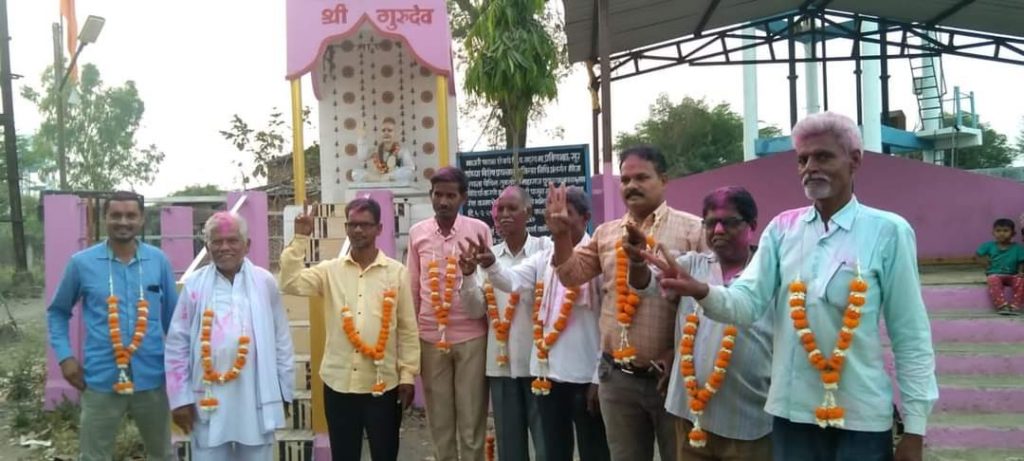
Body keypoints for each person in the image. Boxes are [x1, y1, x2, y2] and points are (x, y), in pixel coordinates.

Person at [645, 112, 938, 461]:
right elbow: (746, 304)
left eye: (823, 157)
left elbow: (911, 335)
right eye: (803, 160)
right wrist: (701, 291)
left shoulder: (888, 231)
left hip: (861, 417)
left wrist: (915, 429)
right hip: (791, 415)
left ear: (855, 160)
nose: (810, 168)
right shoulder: (783, 229)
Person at [546, 146, 706, 461]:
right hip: (617, 378)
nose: (631, 185)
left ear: (664, 180)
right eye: (626, 179)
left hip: (673, 377)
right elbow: (571, 275)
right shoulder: (606, 233)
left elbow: (708, 301)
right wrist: (561, 235)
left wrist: (678, 350)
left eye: (641, 178)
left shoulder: (693, 230)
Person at [630, 187, 773, 461]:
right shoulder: (692, 266)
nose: (717, 230)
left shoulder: (768, 273)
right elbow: (645, 285)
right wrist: (637, 261)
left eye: (729, 222)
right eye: (710, 223)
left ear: (752, 225)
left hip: (748, 422)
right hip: (691, 417)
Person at [469, 186, 610, 461]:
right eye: (551, 215)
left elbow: (608, 322)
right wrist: (491, 264)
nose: (557, 221)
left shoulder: (599, 260)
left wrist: (598, 377)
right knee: (554, 453)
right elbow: (510, 281)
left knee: (594, 452)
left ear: (585, 218)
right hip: (547, 375)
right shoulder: (545, 258)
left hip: (586, 378)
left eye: (565, 215)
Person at [279, 198, 419, 461]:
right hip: (339, 384)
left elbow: (408, 329)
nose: (358, 230)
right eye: (352, 225)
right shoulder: (330, 271)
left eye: (365, 225)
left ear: (379, 228)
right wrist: (300, 238)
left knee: (385, 454)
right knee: (344, 455)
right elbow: (289, 282)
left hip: (382, 384)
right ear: (345, 228)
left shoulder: (396, 272)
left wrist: (408, 375)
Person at [47, 191, 178, 461]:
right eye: (116, 215)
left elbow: (175, 321)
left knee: (164, 454)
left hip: (152, 378)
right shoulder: (81, 263)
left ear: (142, 219)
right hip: (100, 379)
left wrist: (182, 372)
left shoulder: (158, 261)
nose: (123, 222)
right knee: (94, 456)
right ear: (104, 218)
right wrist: (65, 357)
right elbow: (57, 312)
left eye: (130, 215)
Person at [165, 212, 295, 460]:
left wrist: (284, 390)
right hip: (208, 397)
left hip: (255, 396)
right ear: (207, 247)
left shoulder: (265, 282)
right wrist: (180, 398)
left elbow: (281, 339)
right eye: (217, 241)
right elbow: (177, 343)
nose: (225, 247)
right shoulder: (194, 285)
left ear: (247, 245)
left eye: (233, 240)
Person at [407, 167, 492, 461]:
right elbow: (413, 287)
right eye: (438, 195)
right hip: (430, 338)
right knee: (440, 423)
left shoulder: (479, 230)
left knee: (471, 422)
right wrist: (411, 339)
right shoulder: (418, 233)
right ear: (430, 195)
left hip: (471, 338)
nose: (443, 202)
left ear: (463, 197)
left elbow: (487, 283)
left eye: (450, 196)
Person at [461, 185, 551, 461]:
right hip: (501, 366)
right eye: (500, 209)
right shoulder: (486, 256)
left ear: (529, 212)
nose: (504, 214)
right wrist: (468, 276)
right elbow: (475, 310)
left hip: (539, 365)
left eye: (512, 208)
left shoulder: (545, 250)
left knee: (547, 444)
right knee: (510, 449)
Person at [975, 218, 1024, 315]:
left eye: (1005, 231)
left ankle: (1015, 305)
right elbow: (978, 255)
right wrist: (985, 265)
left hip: (1012, 275)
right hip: (995, 274)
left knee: (1021, 280)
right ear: (993, 233)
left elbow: (1021, 262)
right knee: (992, 279)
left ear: (1013, 233)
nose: (1001, 233)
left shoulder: (1018, 248)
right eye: (998, 231)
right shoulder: (988, 246)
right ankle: (1002, 305)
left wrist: (1020, 272)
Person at [353, 118, 416, 183]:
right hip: (377, 180)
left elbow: (410, 170)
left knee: (408, 171)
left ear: (395, 133)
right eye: (383, 130)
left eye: (390, 130)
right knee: (355, 173)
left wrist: (390, 176)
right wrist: (362, 138)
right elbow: (361, 157)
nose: (386, 133)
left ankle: (384, 178)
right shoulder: (375, 150)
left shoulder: (402, 151)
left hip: (393, 182)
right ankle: (379, 179)